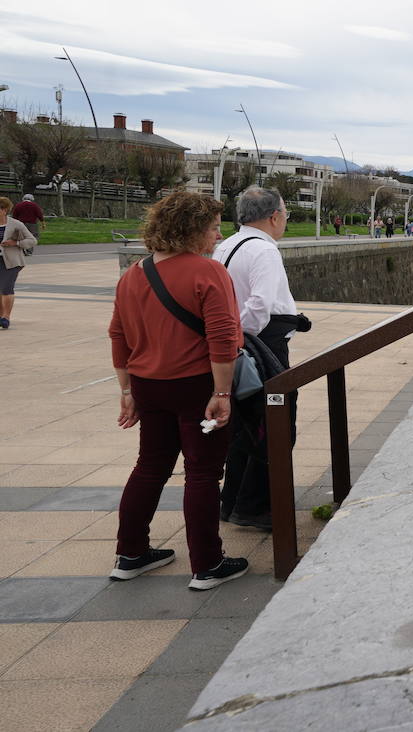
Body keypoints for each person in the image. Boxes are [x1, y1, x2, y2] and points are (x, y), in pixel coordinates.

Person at [108, 190, 249, 590]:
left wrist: (127, 389)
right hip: (196, 386)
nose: (218, 236)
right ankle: (207, 564)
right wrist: (222, 394)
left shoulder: (134, 274)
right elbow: (222, 337)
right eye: (213, 227)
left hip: (148, 385)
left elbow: (118, 334)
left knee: (149, 466)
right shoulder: (208, 272)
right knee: (202, 474)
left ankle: (130, 553)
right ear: (193, 230)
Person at [213, 186, 307, 531]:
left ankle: (233, 501)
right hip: (262, 344)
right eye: (285, 214)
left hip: (237, 342)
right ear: (274, 216)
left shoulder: (225, 246)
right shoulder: (264, 251)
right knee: (276, 423)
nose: (284, 220)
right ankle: (257, 506)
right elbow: (260, 304)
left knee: (246, 426)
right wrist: (245, 340)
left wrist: (231, 341)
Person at [1, 197, 38, 329]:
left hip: (11, 261)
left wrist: (16, 243)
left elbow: (32, 241)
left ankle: (6, 317)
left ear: (4, 210)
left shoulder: (16, 224)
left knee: (6, 288)